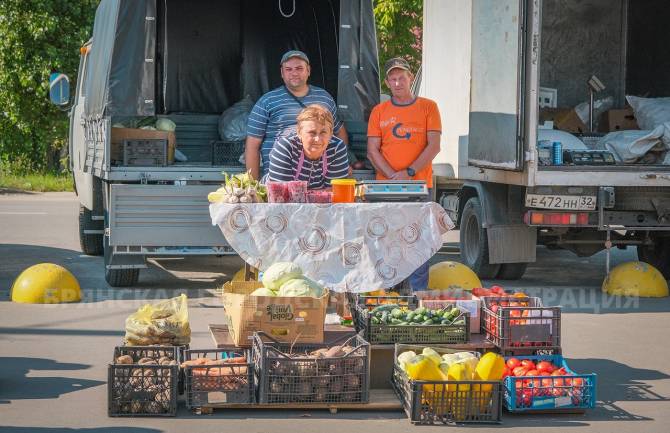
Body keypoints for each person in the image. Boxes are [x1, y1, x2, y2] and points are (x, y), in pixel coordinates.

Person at [367, 57, 442, 291]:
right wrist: (392, 176)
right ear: (387, 82)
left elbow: (434, 146)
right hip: (386, 188)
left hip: (419, 185)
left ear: (411, 78)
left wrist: (409, 173)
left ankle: (417, 295)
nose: (398, 82)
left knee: (418, 240)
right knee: (387, 239)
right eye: (393, 78)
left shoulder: (428, 107)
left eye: (402, 77)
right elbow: (372, 150)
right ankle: (388, 293)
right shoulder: (379, 111)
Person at [245, 50, 348, 180]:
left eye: (299, 68)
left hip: (320, 177)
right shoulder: (267, 101)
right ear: (282, 73)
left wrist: (342, 163)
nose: (294, 73)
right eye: (288, 69)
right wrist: (253, 185)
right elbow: (252, 144)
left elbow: (339, 132)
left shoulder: (325, 98)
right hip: (280, 174)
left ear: (308, 70)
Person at [267, 105, 349, 189]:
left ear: (331, 133)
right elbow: (282, 193)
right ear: (299, 132)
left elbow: (334, 192)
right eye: (312, 133)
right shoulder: (285, 147)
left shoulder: (337, 148)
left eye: (323, 132)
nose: (317, 139)